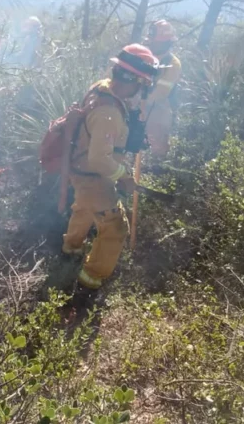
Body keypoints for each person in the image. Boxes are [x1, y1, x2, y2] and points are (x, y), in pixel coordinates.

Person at [60, 44, 161, 305]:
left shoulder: (102, 87)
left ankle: (70, 251)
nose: (143, 90)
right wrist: (123, 175)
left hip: (80, 171)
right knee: (115, 228)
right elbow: (99, 158)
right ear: (136, 81)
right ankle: (88, 285)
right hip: (94, 176)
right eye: (143, 84)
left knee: (83, 209)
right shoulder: (109, 112)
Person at [141, 20, 182, 159]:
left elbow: (160, 94)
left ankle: (157, 167)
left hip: (159, 110)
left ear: (165, 42)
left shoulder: (173, 64)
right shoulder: (143, 55)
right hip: (136, 104)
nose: (151, 43)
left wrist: (139, 102)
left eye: (154, 41)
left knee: (158, 143)